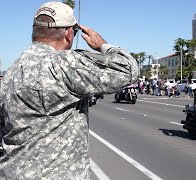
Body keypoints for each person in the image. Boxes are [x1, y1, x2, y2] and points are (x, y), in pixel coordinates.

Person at [0, 2, 138, 179]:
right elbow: (128, 69)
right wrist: (103, 45)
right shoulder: (64, 64)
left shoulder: (11, 72)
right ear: (68, 33)